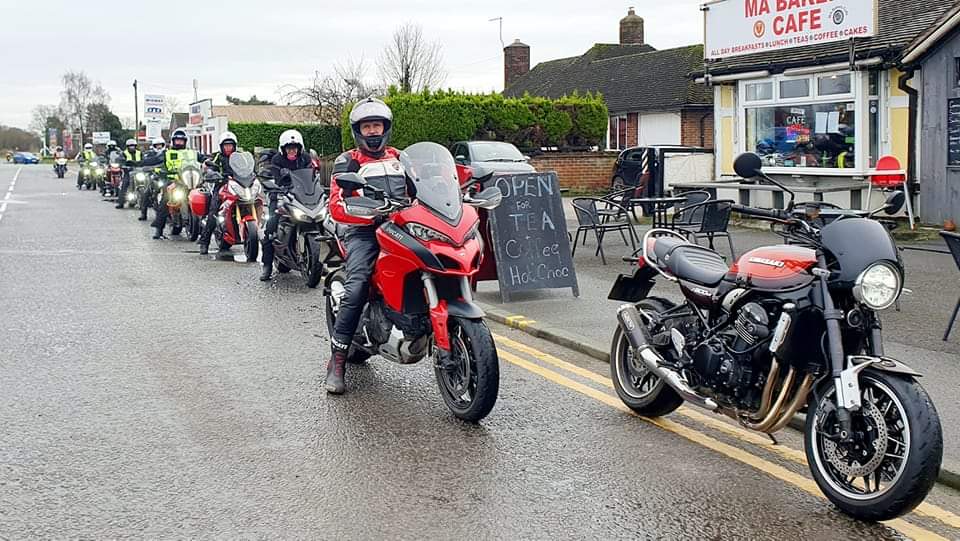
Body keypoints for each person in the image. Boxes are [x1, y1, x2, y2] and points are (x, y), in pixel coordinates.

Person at [324, 97, 413, 395]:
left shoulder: (401, 157)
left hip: (401, 226)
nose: (373, 131)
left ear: (385, 128)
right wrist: (366, 213)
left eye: (377, 125)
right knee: (359, 283)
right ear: (358, 131)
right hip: (362, 230)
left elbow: (427, 183)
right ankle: (337, 359)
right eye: (367, 126)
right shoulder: (348, 162)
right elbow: (336, 204)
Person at [259, 129, 312, 280]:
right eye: (289, 148)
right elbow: (274, 177)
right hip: (280, 194)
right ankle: (267, 265)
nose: (292, 150)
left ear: (300, 148)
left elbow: (311, 176)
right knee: (271, 227)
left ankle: (317, 261)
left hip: (302, 195)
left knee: (319, 221)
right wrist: (280, 177)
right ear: (283, 149)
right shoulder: (277, 160)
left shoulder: (305, 158)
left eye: (294, 147)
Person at [143, 129, 192, 239]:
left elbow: (199, 160)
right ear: (173, 141)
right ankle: (158, 229)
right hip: (172, 181)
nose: (179, 143)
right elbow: (156, 161)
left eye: (181, 141)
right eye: (177, 141)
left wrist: (207, 162)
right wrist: (157, 169)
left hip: (188, 181)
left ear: (185, 142)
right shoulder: (167, 153)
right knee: (165, 200)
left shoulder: (191, 152)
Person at [198, 131, 238, 255]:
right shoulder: (218, 157)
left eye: (230, 145)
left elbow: (248, 168)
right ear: (221, 146)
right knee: (213, 213)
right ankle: (204, 242)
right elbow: (210, 168)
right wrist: (212, 173)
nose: (228, 148)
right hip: (221, 186)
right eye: (226, 145)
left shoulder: (239, 157)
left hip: (238, 186)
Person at [115, 139, 143, 209]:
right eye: (130, 146)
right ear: (127, 147)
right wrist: (123, 165)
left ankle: (146, 201)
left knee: (146, 184)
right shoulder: (124, 153)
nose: (132, 147)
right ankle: (121, 203)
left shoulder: (140, 153)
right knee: (124, 185)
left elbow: (144, 160)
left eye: (133, 146)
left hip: (139, 172)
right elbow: (120, 160)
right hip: (128, 172)